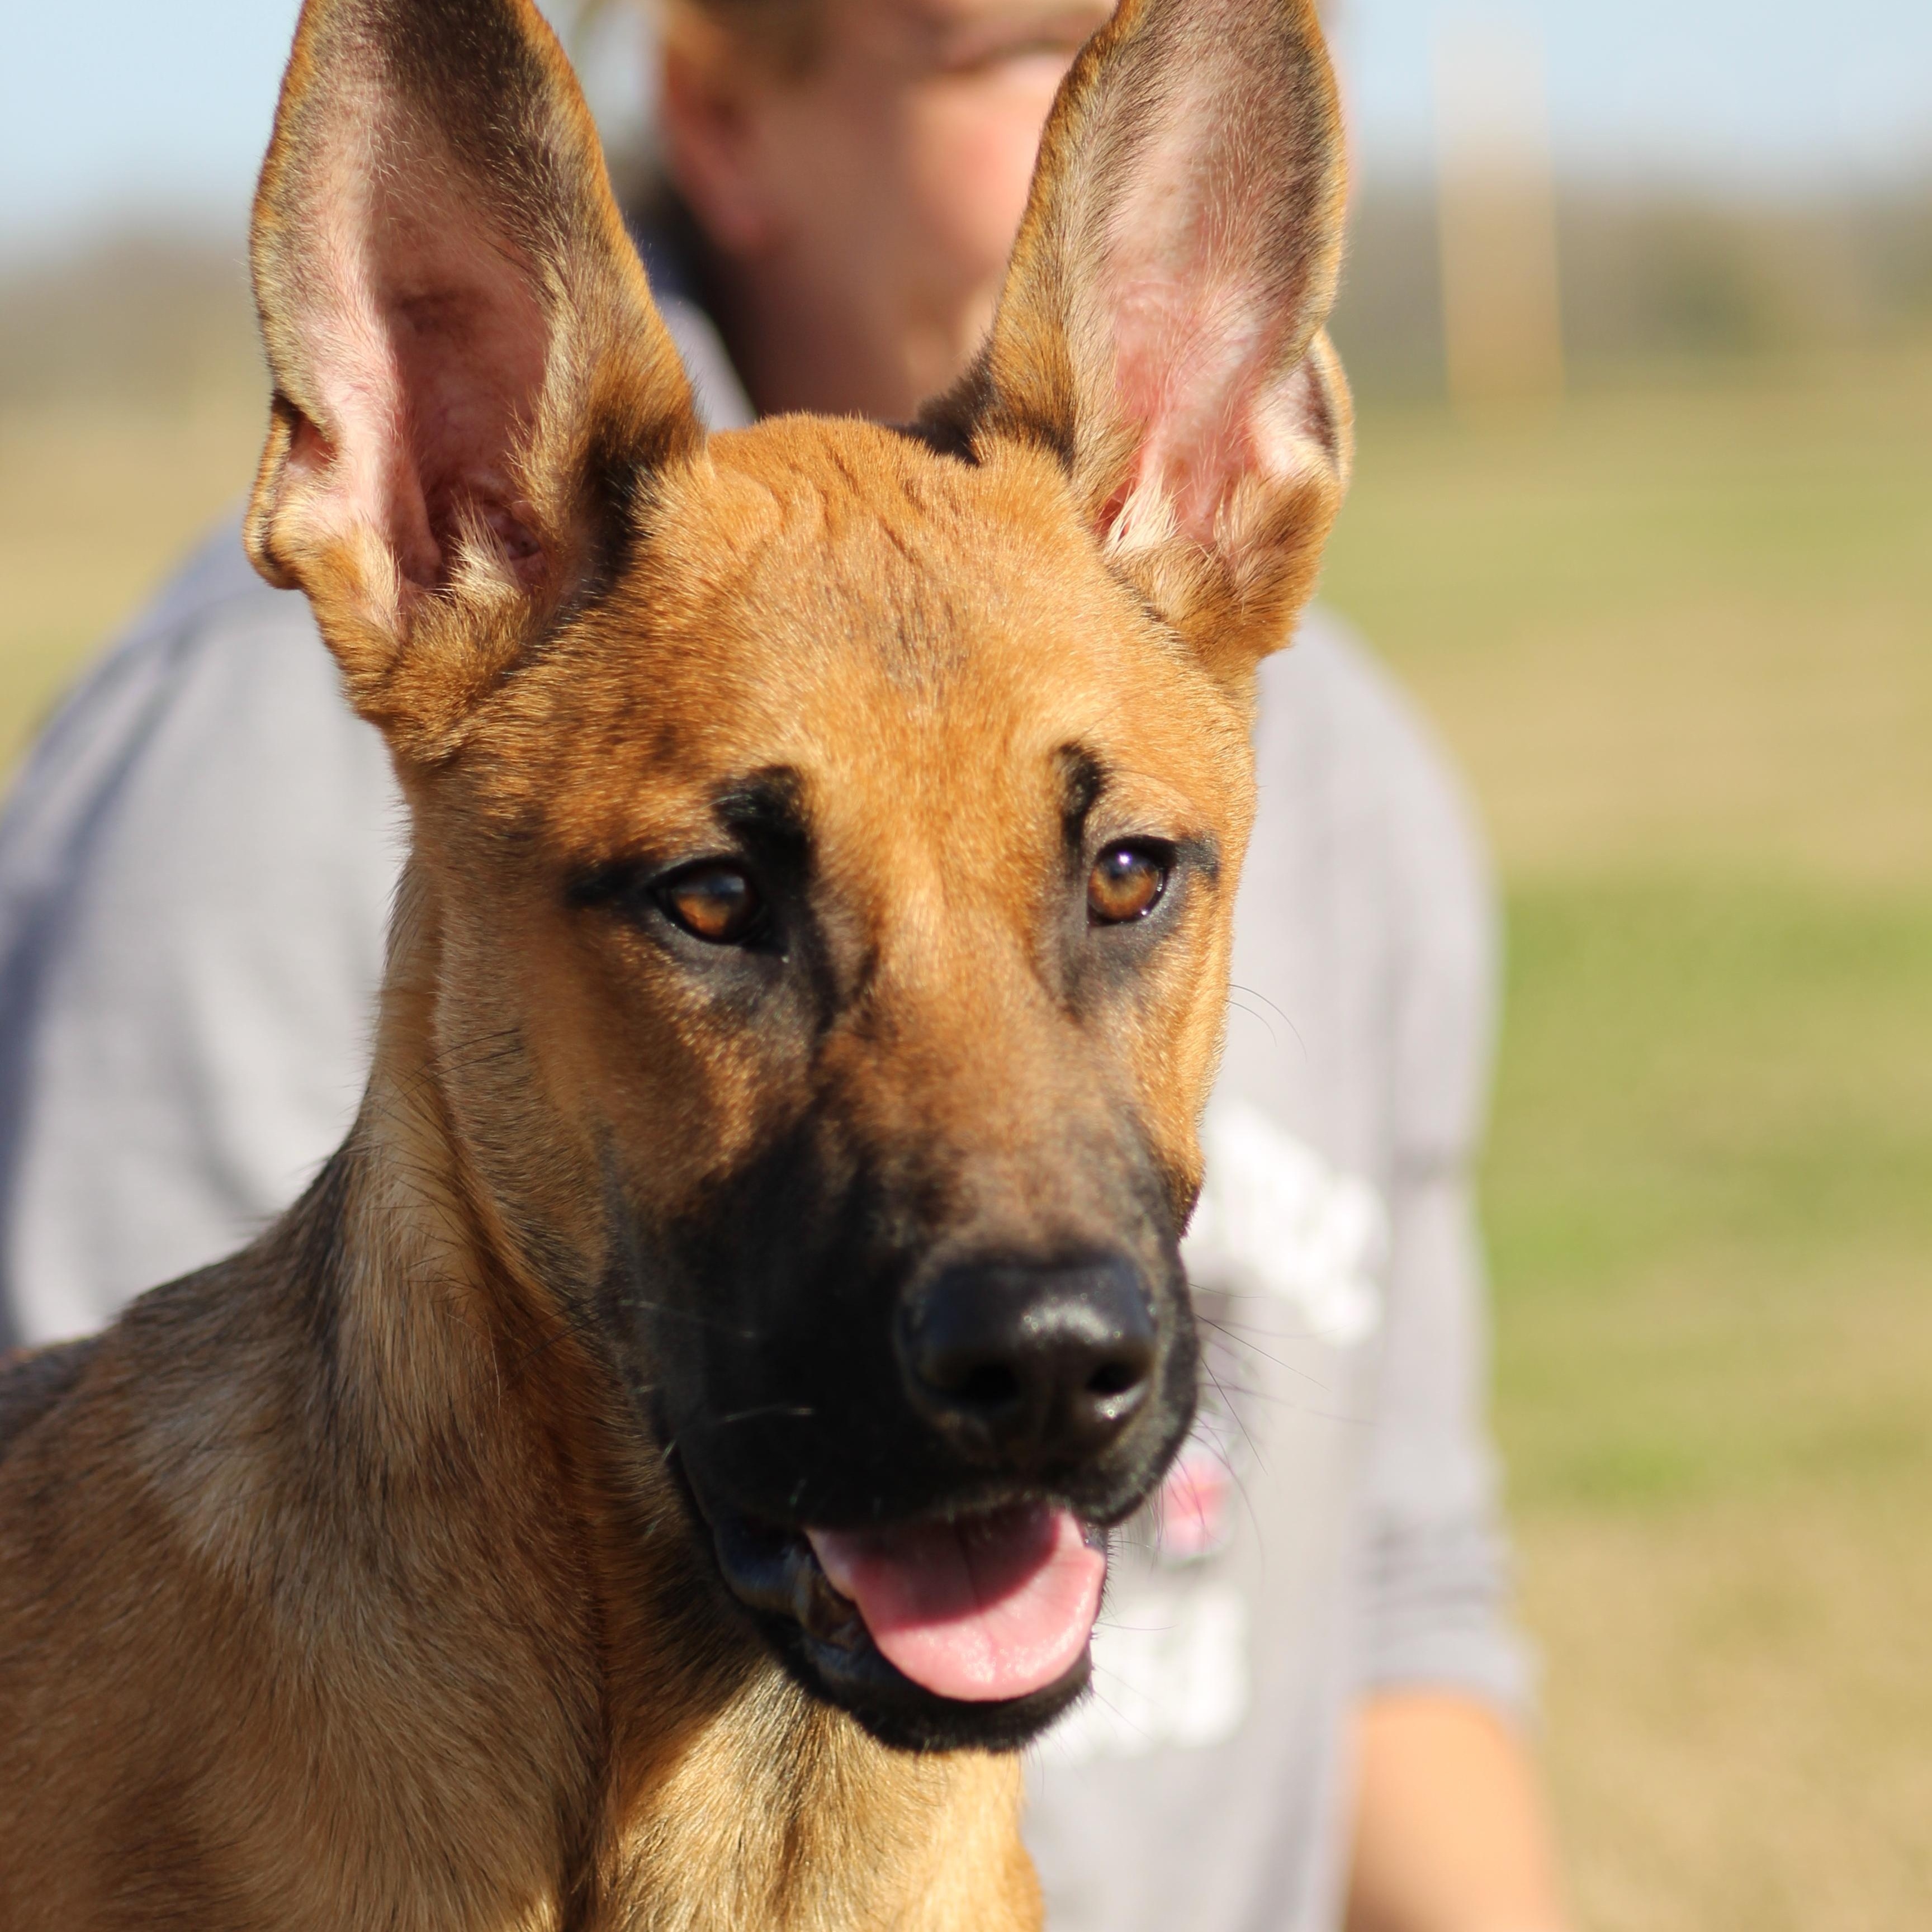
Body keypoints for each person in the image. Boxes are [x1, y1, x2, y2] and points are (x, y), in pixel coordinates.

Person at [0, 2, 1569, 1928]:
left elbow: (1406, 1606)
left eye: (1126, 881)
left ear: (1234, 471)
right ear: (420, 511)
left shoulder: (1331, 751)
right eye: (724, 910)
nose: (1041, 1291)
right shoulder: (279, 743)